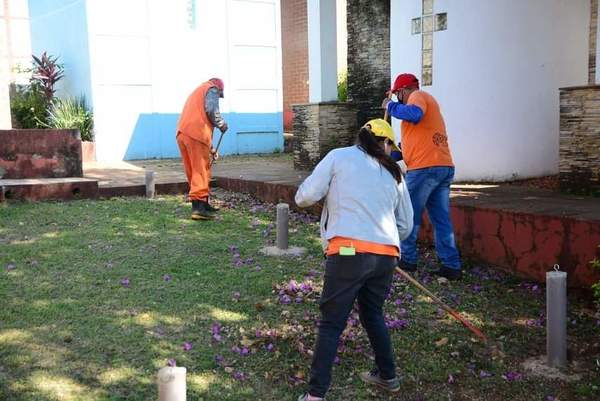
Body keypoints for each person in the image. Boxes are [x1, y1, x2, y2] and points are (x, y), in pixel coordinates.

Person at [294, 119, 414, 401]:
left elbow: (306, 196)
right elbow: (405, 225)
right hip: (386, 256)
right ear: (383, 143)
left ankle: (315, 395)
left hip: (347, 252)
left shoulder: (338, 157)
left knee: (332, 322)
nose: (390, 151)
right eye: (389, 145)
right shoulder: (394, 172)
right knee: (373, 315)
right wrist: (380, 243)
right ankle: (388, 377)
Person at [382, 73, 462, 280]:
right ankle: (451, 265)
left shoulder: (417, 96)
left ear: (403, 90)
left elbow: (414, 114)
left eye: (397, 94)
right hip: (441, 166)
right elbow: (410, 148)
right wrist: (391, 153)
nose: (397, 98)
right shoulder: (425, 104)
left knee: (408, 215)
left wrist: (390, 107)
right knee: (441, 219)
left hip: (425, 169)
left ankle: (408, 260)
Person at [176, 78, 228, 220]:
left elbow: (199, 117)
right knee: (200, 170)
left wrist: (211, 149)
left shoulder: (197, 92)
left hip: (183, 133)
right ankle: (198, 209)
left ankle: (202, 204)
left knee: (193, 171)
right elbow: (211, 109)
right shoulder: (211, 88)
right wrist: (221, 123)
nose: (218, 96)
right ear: (219, 88)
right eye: (220, 94)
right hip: (196, 133)